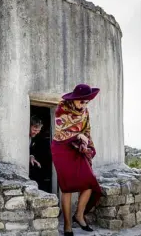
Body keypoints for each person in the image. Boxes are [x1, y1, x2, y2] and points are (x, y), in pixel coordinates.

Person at [51, 84, 103, 236]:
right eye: (82, 102)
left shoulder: (85, 111)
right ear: (74, 99)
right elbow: (59, 131)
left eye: (87, 102)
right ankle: (67, 225)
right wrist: (77, 135)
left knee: (89, 182)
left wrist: (90, 147)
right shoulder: (61, 108)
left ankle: (79, 215)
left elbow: (87, 131)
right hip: (61, 148)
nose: (84, 105)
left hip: (77, 148)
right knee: (66, 188)